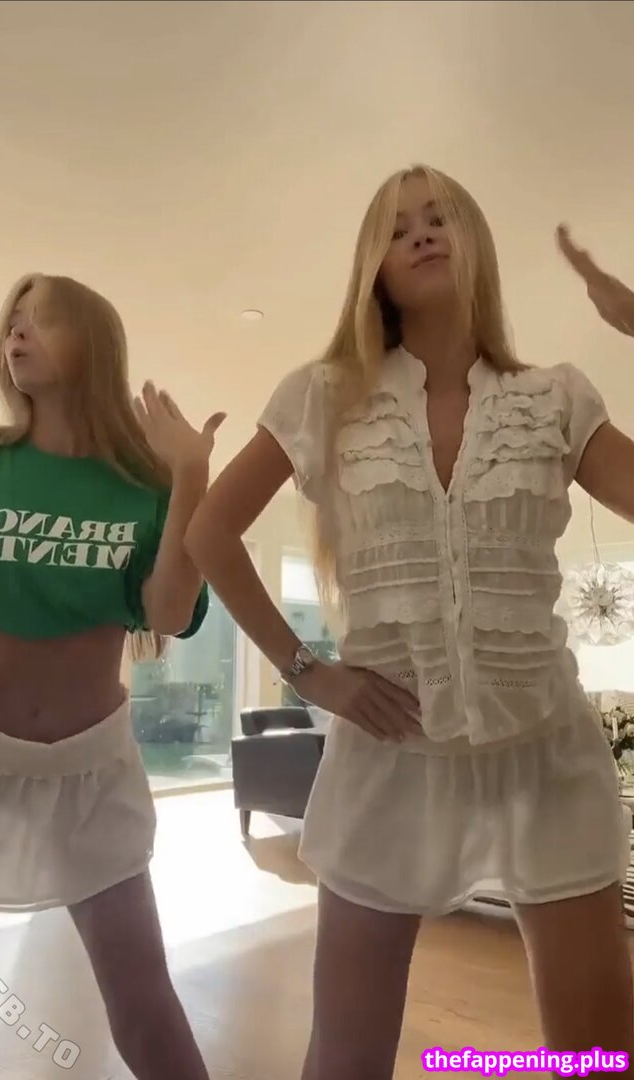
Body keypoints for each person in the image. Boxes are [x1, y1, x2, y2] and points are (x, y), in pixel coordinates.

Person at [186, 165, 634, 1079]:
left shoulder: (554, 397)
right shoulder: (321, 396)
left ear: (476, 243)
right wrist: (307, 671)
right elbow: (207, 533)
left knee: (598, 1058)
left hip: (545, 756)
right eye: (396, 229)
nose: (421, 234)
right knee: (345, 1059)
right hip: (387, 755)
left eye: (440, 218)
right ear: (374, 267)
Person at [0, 273, 223, 1080]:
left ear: (94, 345)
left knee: (142, 996)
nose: (16, 333)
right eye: (11, 321)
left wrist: (190, 476)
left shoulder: (145, 484)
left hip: (91, 768)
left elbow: (166, 612)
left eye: (41, 320)